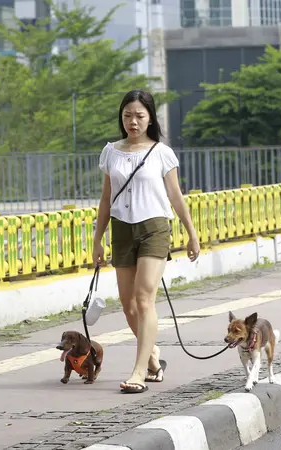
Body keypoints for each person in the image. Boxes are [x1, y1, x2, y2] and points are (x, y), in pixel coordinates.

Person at [92, 89, 200, 394]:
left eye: (139, 115)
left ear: (150, 117)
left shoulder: (161, 153)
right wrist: (97, 239)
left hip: (154, 227)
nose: (133, 121)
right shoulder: (110, 151)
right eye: (127, 115)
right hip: (121, 229)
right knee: (127, 306)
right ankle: (152, 356)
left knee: (143, 299)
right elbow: (105, 199)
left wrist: (192, 234)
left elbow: (175, 197)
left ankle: (138, 372)